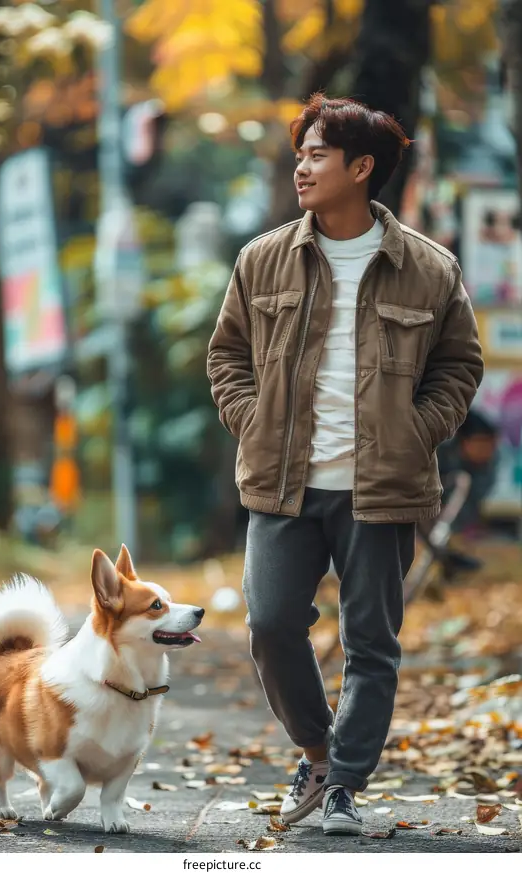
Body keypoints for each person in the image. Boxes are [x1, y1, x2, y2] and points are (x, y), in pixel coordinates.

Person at [206, 94, 484, 836]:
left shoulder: (429, 268)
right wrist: (253, 421)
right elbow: (226, 356)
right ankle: (317, 751)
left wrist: (416, 432)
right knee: (270, 623)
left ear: (362, 169)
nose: (302, 165)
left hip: (381, 488)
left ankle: (344, 787)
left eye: (318, 153)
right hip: (283, 483)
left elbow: (459, 366)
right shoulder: (262, 259)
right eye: (301, 152)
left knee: (371, 642)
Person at [418, 410, 498, 578]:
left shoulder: (488, 464)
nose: (487, 450)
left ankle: (447, 561)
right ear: (464, 441)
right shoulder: (436, 452)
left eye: (491, 444)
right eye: (481, 443)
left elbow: (473, 500)